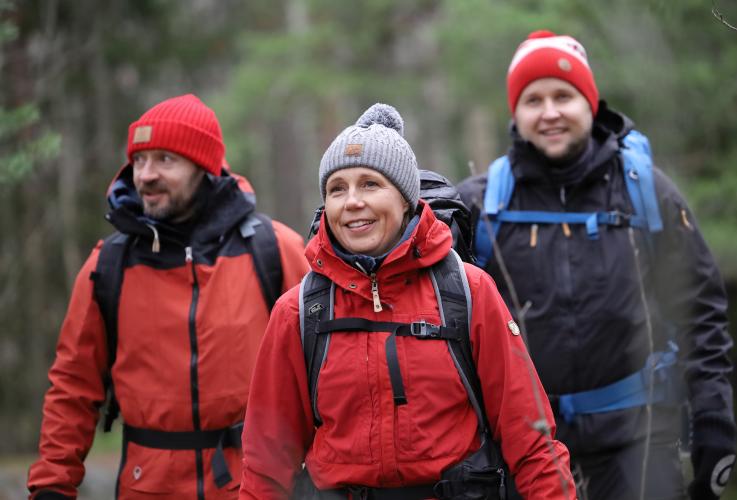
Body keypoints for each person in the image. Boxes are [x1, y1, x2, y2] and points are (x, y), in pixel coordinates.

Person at [239, 103, 576, 499]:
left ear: (405, 199)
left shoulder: (468, 291)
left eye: (370, 184)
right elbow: (265, 464)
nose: (351, 202)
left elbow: (532, 441)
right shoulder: (298, 312)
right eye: (337, 189)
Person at [457, 31, 737, 500]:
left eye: (563, 96)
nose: (549, 112)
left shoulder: (646, 192)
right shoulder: (481, 205)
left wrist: (713, 417)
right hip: (525, 448)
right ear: (515, 113)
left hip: (640, 441)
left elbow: (700, 313)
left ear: (590, 103)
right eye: (533, 100)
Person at [27, 94, 309, 499]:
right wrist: (52, 486)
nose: (146, 175)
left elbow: (322, 369)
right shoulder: (108, 266)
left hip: (255, 486)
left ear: (204, 166)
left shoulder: (273, 249)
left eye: (165, 160)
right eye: (139, 160)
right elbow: (72, 388)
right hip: (147, 487)